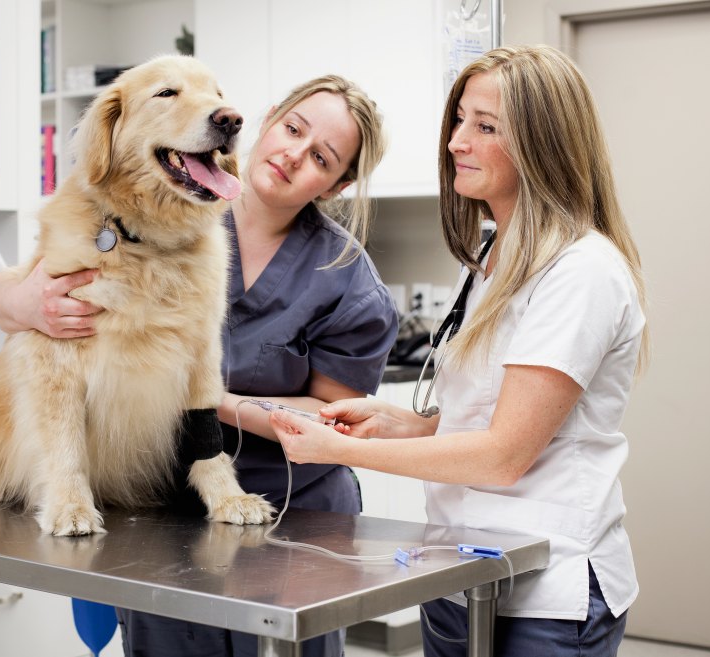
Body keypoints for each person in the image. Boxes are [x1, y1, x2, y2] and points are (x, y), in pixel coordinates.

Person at [0, 74, 399, 657]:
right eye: (292, 129)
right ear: (268, 117)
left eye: (320, 158)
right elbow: (24, 283)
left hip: (294, 515)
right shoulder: (165, 194)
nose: (292, 155)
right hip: (168, 509)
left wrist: (202, 399)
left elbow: (335, 418)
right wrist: (18, 301)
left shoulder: (346, 280)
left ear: (337, 184)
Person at [268, 45, 649, 657]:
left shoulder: (582, 272)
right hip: (460, 571)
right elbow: (487, 419)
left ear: (541, 144)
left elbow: (503, 456)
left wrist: (337, 452)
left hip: (544, 591)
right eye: (461, 120)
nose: (455, 142)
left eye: (485, 126)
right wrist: (400, 425)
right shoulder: (495, 258)